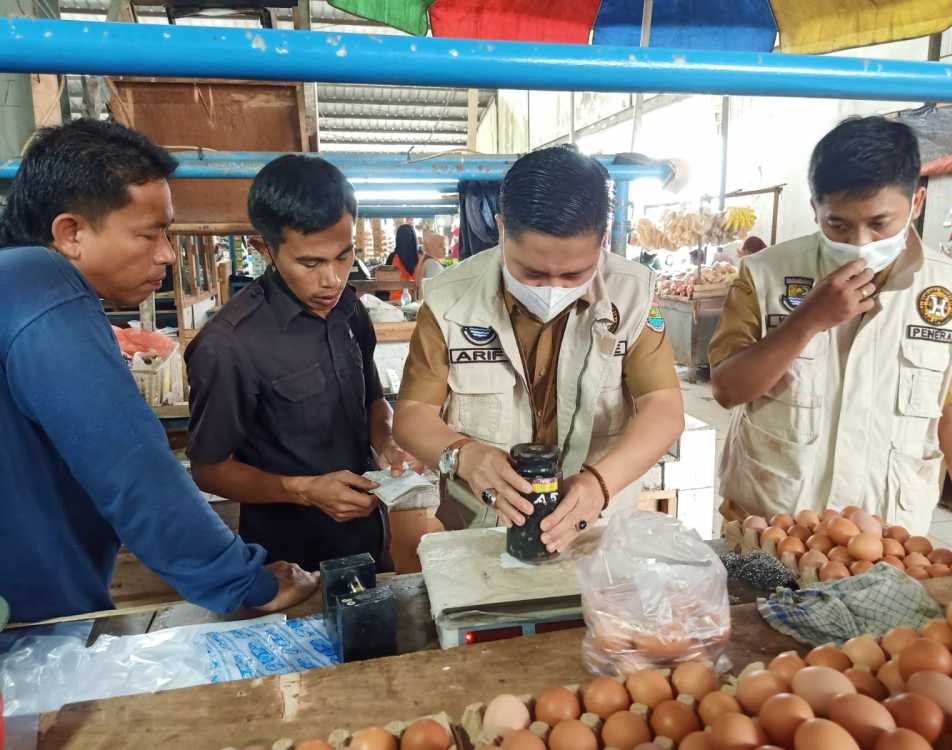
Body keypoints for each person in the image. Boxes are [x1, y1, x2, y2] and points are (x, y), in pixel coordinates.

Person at [0, 119, 317, 625]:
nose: (167, 254)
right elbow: (128, 461)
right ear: (71, 232)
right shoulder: (39, 285)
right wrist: (240, 579)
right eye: (150, 234)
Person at [710, 116, 952, 568]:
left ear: (917, 201)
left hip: (885, 535)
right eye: (838, 226)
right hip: (774, 526)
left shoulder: (950, 290)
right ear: (814, 209)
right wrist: (805, 321)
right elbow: (728, 390)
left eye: (879, 224)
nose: (860, 243)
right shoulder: (765, 275)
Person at [393, 146, 686, 554]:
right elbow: (411, 416)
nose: (554, 288)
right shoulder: (449, 300)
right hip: (483, 528)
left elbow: (664, 408)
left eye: (574, 274)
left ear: (602, 241)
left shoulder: (632, 294)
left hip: (596, 527)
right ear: (500, 228)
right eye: (531, 272)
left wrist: (599, 484)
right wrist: (464, 456)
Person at [185, 155, 419, 573]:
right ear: (265, 249)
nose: (332, 279)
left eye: (344, 256)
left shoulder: (350, 311)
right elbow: (209, 470)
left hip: (368, 539)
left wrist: (386, 440)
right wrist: (304, 491)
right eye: (310, 263)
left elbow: (371, 401)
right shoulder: (230, 345)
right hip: (290, 560)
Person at [387, 223, 418, 302]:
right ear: (414, 238)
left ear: (397, 239)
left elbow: (385, 280)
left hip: (394, 300)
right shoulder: (419, 257)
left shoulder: (392, 257)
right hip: (414, 299)